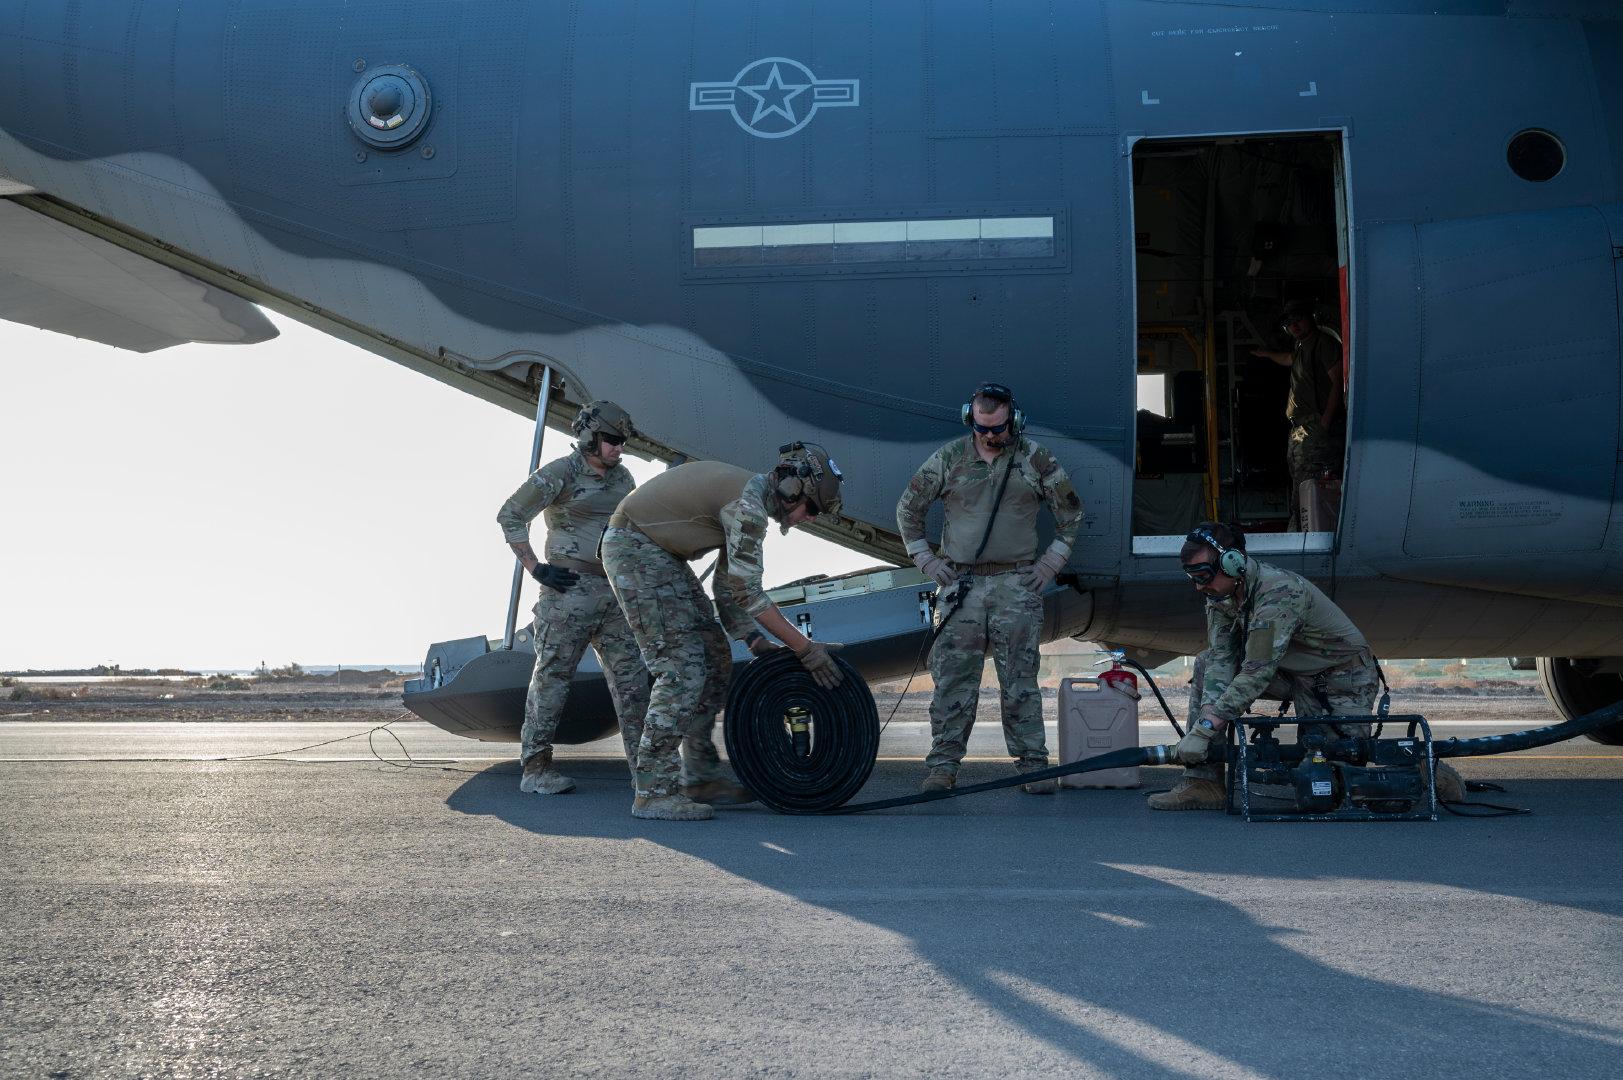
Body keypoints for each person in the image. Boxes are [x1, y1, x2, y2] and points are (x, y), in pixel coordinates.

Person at [601, 443, 846, 821]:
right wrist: (806, 649)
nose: (810, 518)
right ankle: (653, 791)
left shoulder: (750, 502)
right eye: (812, 508)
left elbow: (728, 586)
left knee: (714, 658)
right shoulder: (748, 510)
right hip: (636, 549)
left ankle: (699, 777)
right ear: (792, 489)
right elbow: (749, 591)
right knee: (680, 669)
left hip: (659, 554)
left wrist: (751, 639)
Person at [1153, 521, 1463, 810]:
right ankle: (1203, 782)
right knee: (1206, 661)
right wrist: (1205, 724)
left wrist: (1206, 729)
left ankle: (1424, 768)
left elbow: (1256, 673)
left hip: (1340, 678)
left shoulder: (1278, 594)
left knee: (1336, 774)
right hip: (1292, 674)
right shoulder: (1222, 595)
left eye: (1203, 576)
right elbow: (1221, 659)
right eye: (1191, 577)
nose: (1198, 587)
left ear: (1232, 563)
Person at [896, 383, 1083, 795]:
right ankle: (942, 768)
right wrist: (926, 560)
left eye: (997, 428)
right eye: (982, 429)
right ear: (971, 421)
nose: (990, 436)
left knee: (1019, 679)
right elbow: (908, 509)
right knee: (952, 681)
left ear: (1013, 421)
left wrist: (1049, 565)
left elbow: (1071, 516)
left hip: (1015, 584)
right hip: (960, 583)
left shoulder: (1035, 459)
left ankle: (1033, 766)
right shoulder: (948, 459)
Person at [496, 401, 652, 795]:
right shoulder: (560, 473)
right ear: (590, 437)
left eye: (623, 442)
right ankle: (536, 769)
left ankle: (649, 771)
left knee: (633, 683)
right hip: (567, 594)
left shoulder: (623, 478)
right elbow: (510, 514)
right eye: (613, 441)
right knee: (552, 679)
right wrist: (536, 567)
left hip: (614, 595)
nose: (619, 449)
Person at [1252, 300, 1345, 531]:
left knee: (1310, 483)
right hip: (1299, 429)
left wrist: (1325, 422)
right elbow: (1287, 359)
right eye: (1289, 323)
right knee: (1299, 482)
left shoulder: (1324, 344)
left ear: (1310, 318)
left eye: (1298, 320)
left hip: (1315, 426)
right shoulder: (1301, 348)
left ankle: (1310, 533)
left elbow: (1338, 383)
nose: (1294, 326)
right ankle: (1301, 530)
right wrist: (1266, 355)